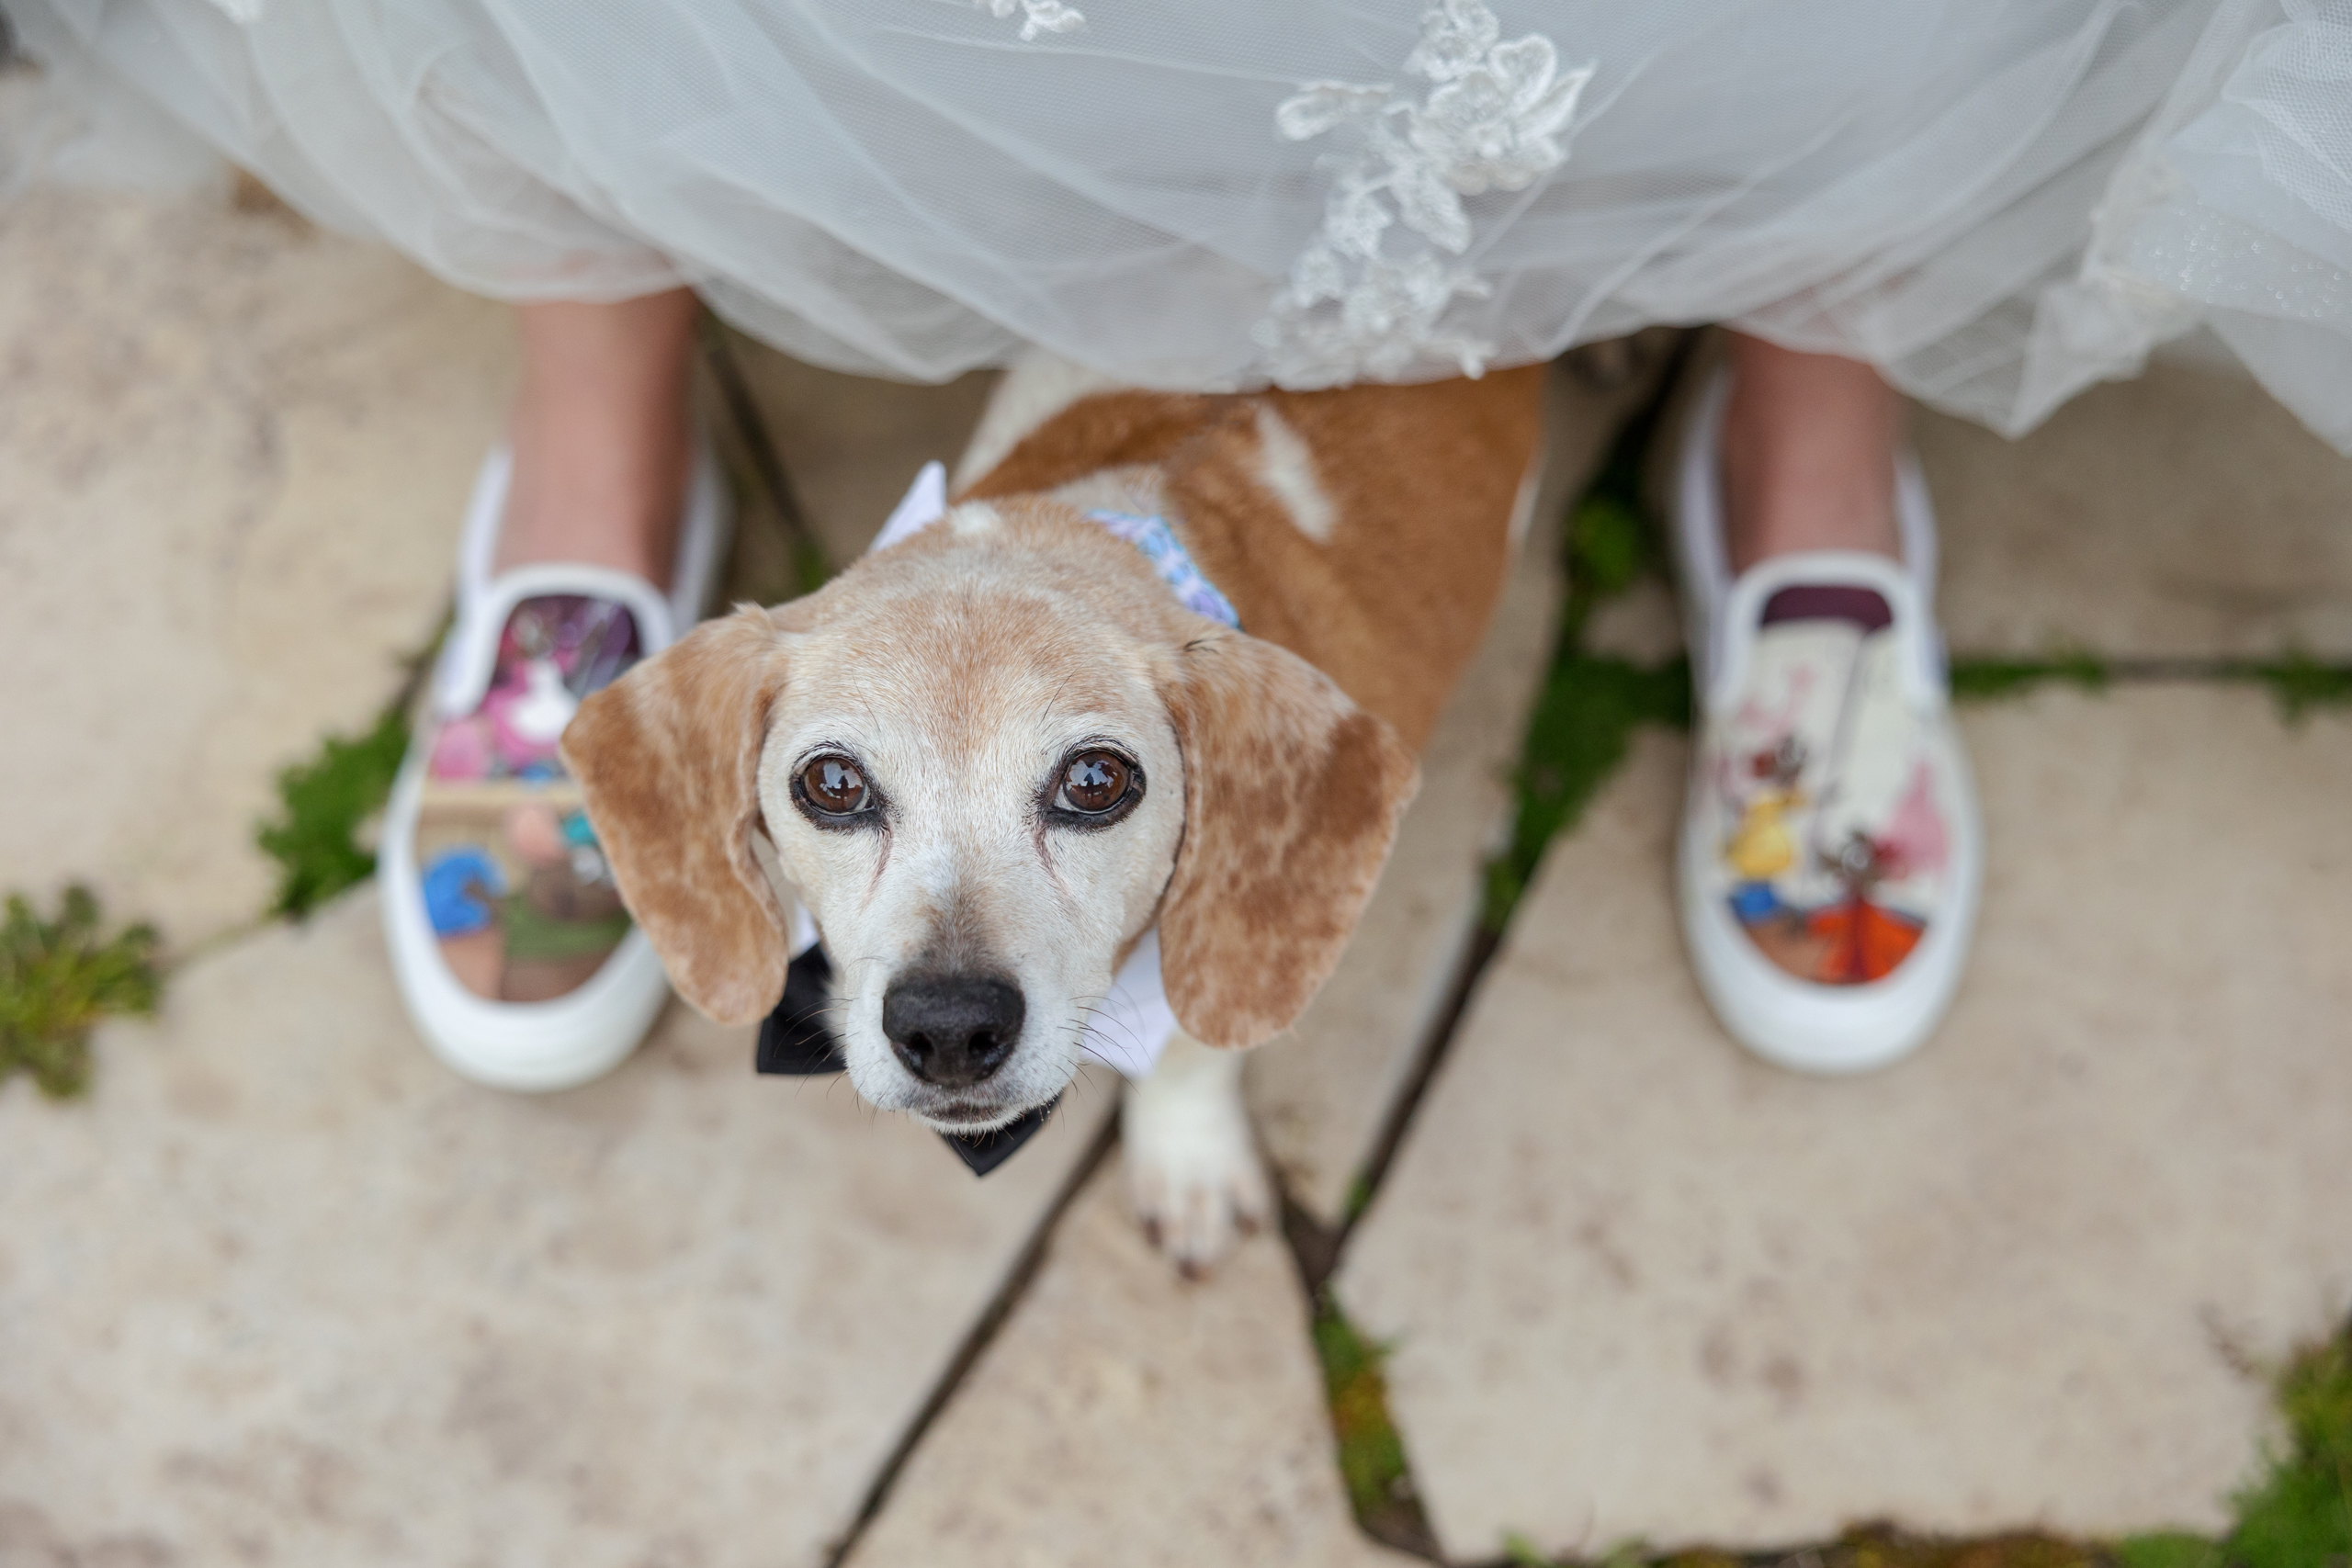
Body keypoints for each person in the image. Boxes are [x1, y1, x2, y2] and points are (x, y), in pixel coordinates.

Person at [10, 0, 2345, 1086]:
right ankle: (603, 446)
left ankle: (1811, 417)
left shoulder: (1273, 742)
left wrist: (1187, 1061)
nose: (936, 967)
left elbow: (1229, 907)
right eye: (828, 790)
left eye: (1098, 786)